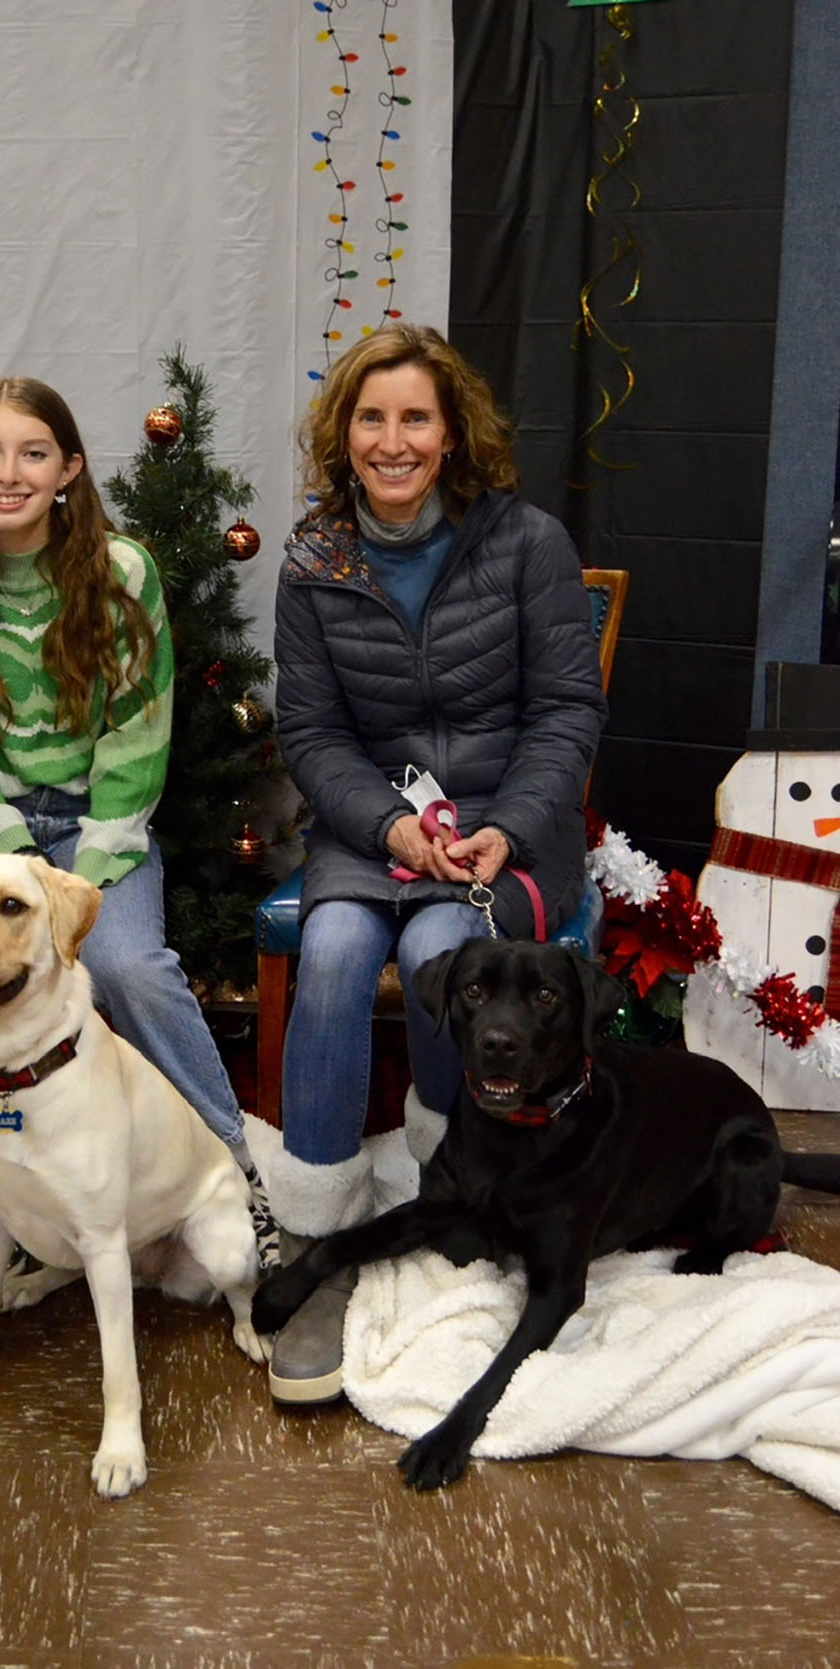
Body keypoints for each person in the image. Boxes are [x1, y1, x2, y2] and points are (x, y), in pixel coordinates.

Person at [266, 324, 608, 1403]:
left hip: (513, 829)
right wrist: (391, 829)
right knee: (330, 951)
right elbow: (312, 736)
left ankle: (441, 1185)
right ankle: (316, 1242)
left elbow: (566, 709)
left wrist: (506, 824)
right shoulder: (315, 560)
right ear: (345, 434)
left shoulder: (527, 542)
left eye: (416, 416)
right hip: (380, 834)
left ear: (452, 430)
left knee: (449, 942)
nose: (393, 439)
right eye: (372, 418)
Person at [0, 375, 279, 1268]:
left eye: (34, 452)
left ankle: (236, 1168)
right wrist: (8, 864)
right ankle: (3, 1188)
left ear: (69, 468)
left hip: (97, 824)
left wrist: (96, 849)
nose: (10, 473)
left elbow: (138, 724)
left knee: (130, 965)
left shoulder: (121, 573)